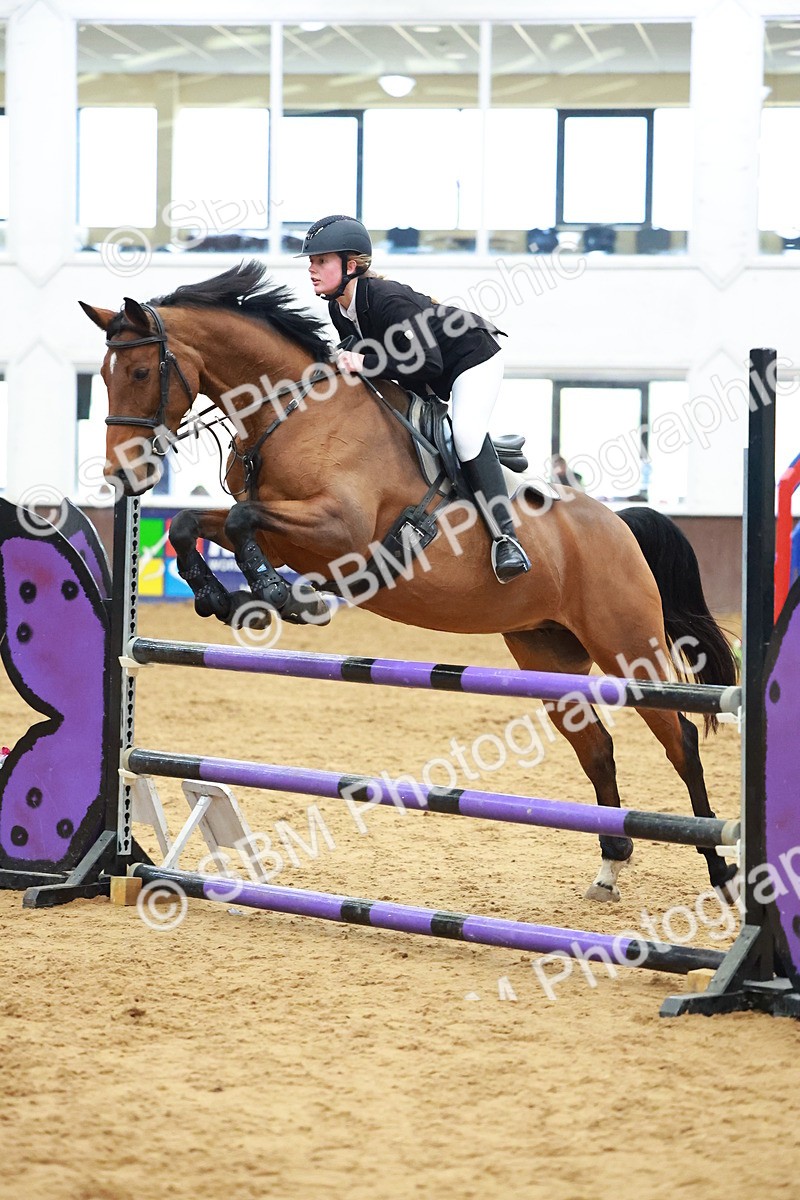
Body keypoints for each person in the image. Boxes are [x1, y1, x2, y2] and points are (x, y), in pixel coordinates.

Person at [296, 214, 530, 584]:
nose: (312, 270)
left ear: (351, 265)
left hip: (471, 358)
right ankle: (488, 453)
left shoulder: (387, 299)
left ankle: (507, 539)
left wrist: (362, 361)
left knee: (467, 435)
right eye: (311, 262)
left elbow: (427, 361)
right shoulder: (339, 307)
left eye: (321, 261)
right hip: (430, 375)